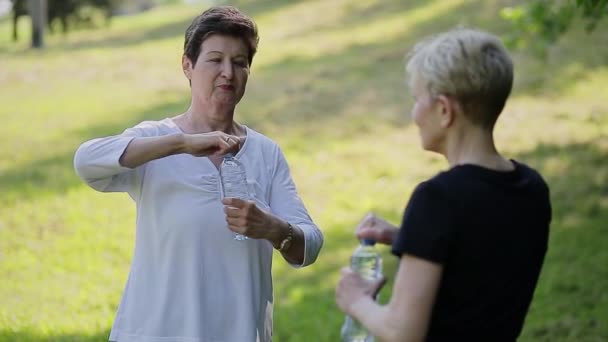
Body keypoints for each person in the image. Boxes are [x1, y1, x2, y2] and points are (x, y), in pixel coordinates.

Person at [74, 6, 323, 342]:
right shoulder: (157, 139)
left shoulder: (265, 153)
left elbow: (310, 246)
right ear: (187, 66)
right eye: (215, 59)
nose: (228, 73)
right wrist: (181, 144)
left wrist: (274, 228)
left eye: (239, 62)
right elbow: (86, 161)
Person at [335, 28, 551, 342]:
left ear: (444, 110)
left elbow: (403, 332)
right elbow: (480, 254)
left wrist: (356, 301)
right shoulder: (530, 188)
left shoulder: (438, 199)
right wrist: (408, 237)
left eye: (417, 99)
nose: (414, 113)